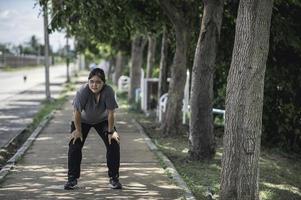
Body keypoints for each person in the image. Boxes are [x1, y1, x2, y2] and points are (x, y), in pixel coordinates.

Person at [64, 68, 122, 190]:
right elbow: (77, 112)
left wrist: (111, 132)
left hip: (103, 121)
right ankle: (72, 178)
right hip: (82, 121)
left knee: (113, 143)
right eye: (91, 81)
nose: (94, 85)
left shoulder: (108, 91)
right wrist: (78, 131)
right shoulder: (82, 91)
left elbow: (111, 113)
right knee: (74, 144)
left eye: (98, 82)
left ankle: (114, 178)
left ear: (103, 83)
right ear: (88, 81)